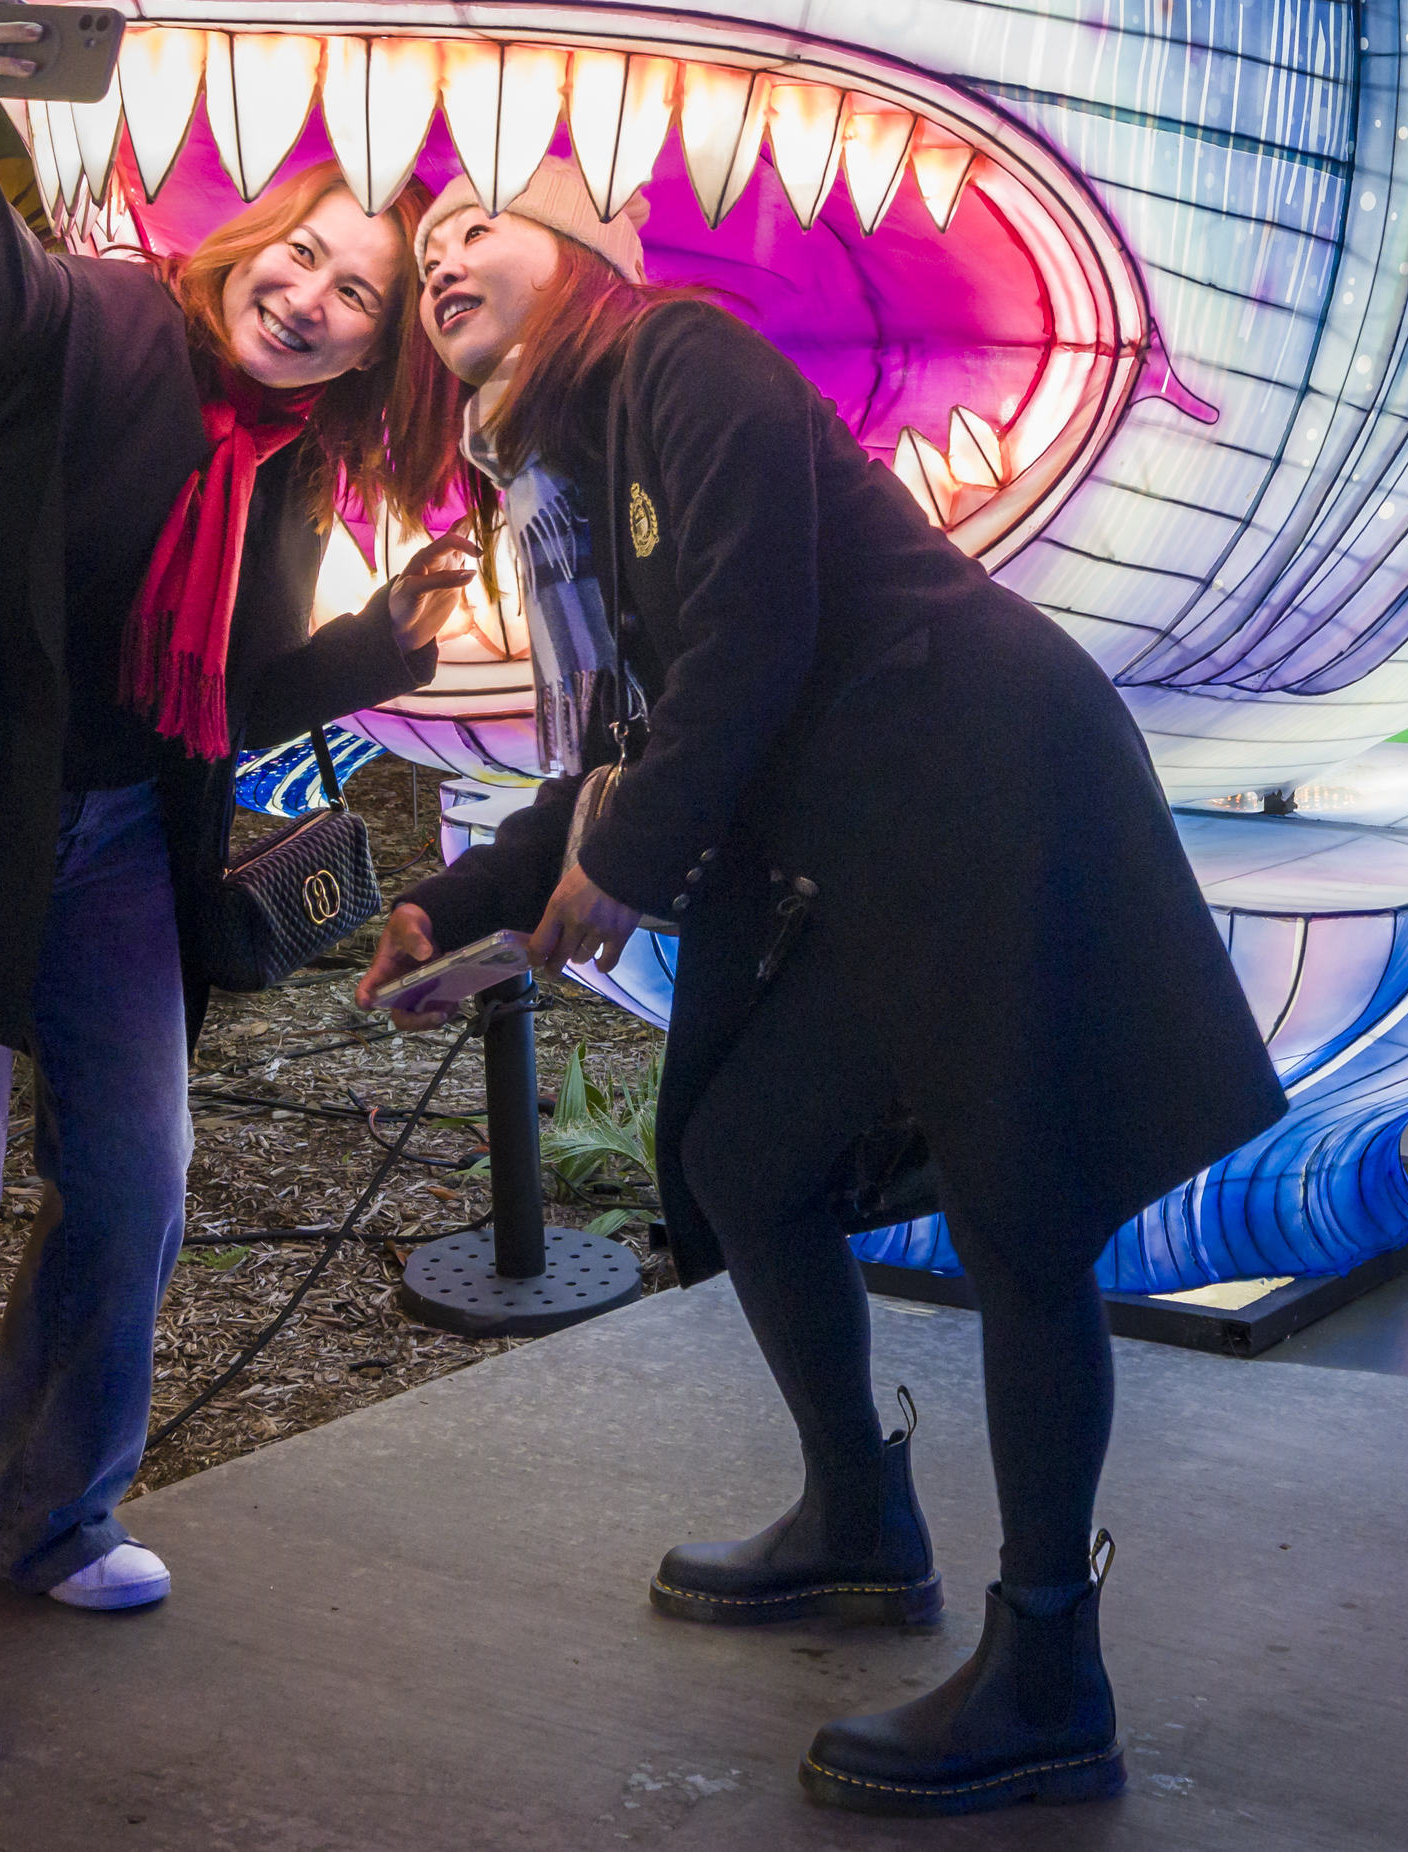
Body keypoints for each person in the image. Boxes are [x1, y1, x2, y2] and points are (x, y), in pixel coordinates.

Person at [358, 166, 1283, 1818]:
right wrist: (449, 904)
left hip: (984, 779)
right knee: (749, 1155)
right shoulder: (574, 474)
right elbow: (616, 754)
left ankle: (1052, 1668)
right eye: (422, 253)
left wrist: (624, 863)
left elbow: (753, 643)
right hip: (878, 838)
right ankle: (860, 1517)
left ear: (581, 256)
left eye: (470, 229)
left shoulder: (683, 358)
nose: (438, 259)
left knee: (1022, 1228)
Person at [0, 0, 470, 1779]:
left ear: (371, 347)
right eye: (302, 255)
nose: (309, 297)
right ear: (251, 243)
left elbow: (211, 685)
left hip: (119, 848)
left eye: (353, 294)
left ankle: (61, 1517)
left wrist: (379, 642)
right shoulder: (112, 323)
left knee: (137, 1177)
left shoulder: (285, 464)